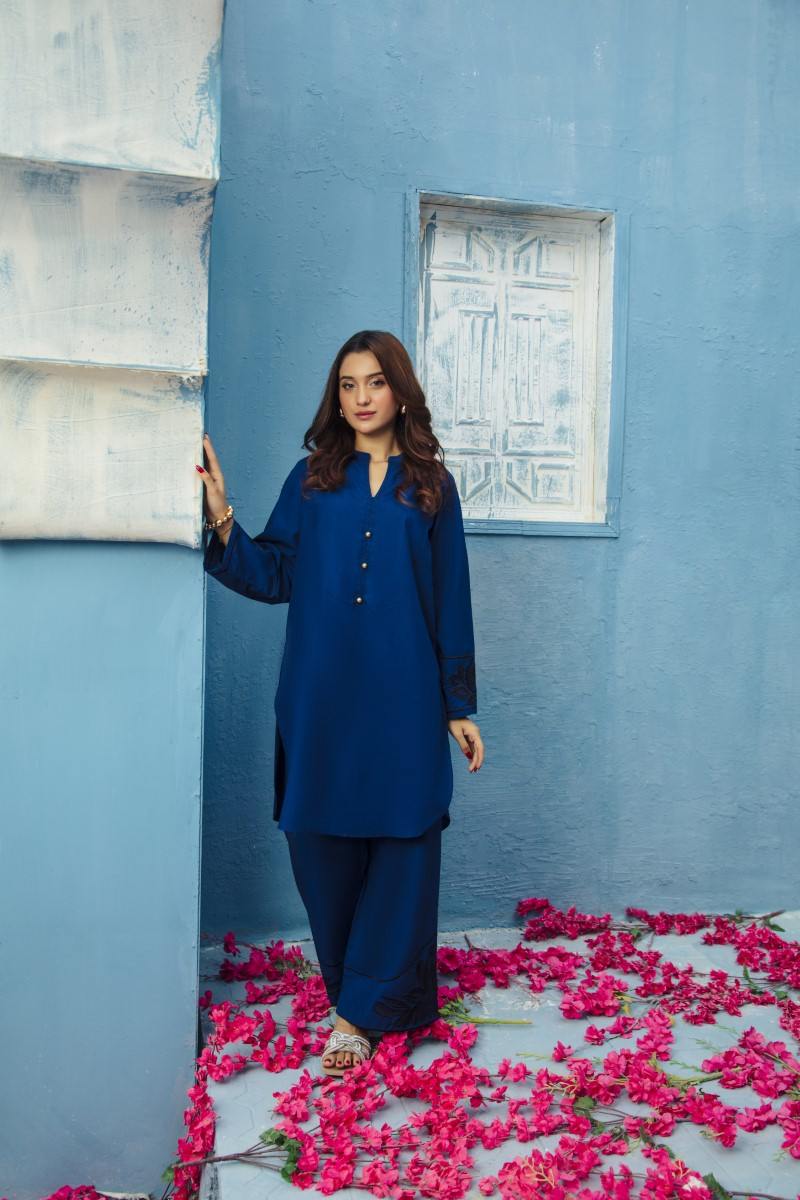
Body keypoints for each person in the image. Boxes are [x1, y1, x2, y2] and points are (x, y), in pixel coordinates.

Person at [197, 330, 484, 1077]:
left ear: (400, 392)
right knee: (318, 843)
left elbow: (450, 594)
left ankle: (357, 1016)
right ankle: (358, 990)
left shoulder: (432, 486)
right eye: (348, 385)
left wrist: (458, 705)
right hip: (320, 693)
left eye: (375, 382)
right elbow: (274, 574)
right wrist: (223, 517)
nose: (361, 398)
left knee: (404, 841)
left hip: (405, 695)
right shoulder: (312, 479)